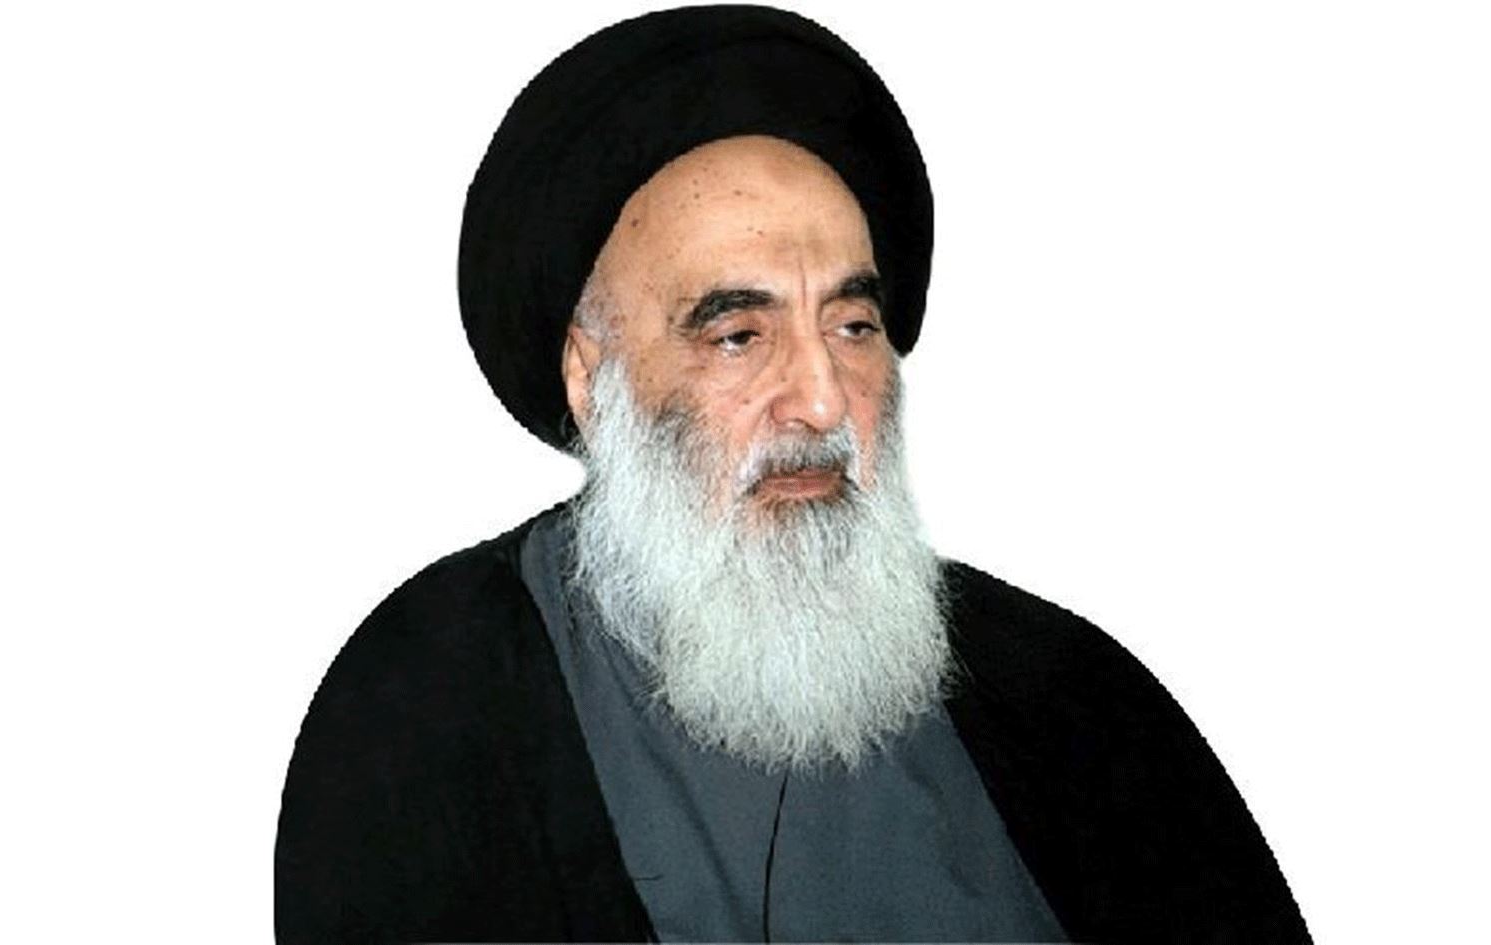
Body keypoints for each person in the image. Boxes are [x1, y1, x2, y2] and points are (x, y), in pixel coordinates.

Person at [276, 7, 1309, 943]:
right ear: (594, 382)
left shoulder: (1072, 696)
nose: (822, 399)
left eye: (853, 326)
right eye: (738, 335)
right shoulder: (432, 693)